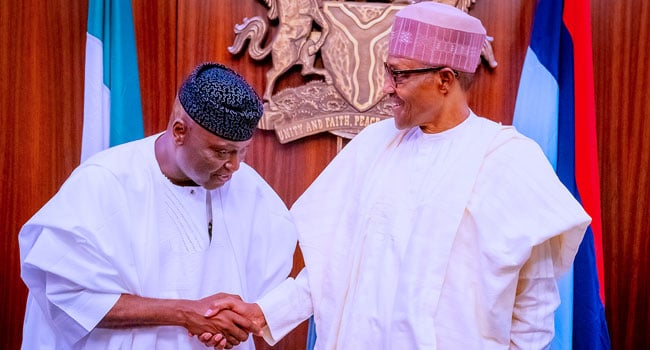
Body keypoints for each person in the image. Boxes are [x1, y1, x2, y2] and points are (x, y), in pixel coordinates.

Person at [201, 2, 593, 349]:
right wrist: (261, 315)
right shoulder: (374, 144)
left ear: (444, 80)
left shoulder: (510, 160)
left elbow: (534, 308)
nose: (385, 87)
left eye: (398, 74)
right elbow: (328, 268)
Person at [18, 62, 298, 349]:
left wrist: (230, 321)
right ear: (179, 132)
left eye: (243, 151)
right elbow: (66, 293)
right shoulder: (105, 181)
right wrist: (186, 313)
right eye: (222, 152)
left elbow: (265, 294)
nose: (234, 166)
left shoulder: (251, 189)